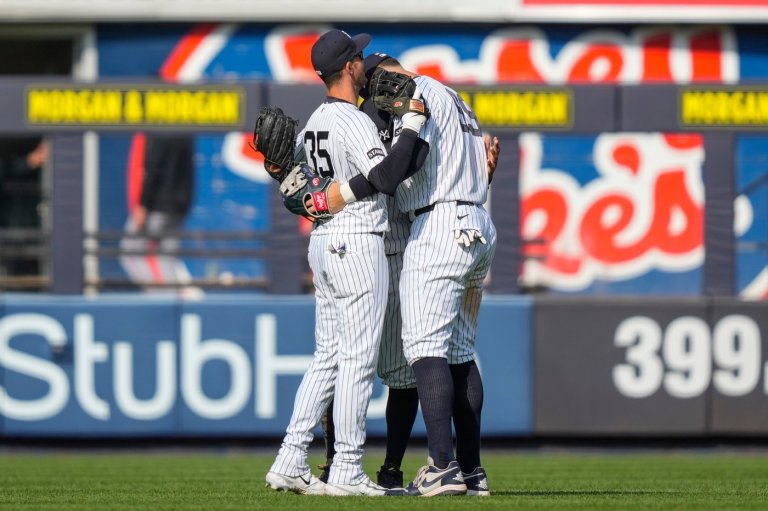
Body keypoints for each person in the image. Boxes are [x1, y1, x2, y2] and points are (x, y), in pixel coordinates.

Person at [316, 53, 501, 493]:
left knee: (423, 348)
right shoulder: (454, 96)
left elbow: (405, 167)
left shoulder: (409, 93)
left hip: (438, 226)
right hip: (477, 223)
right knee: (459, 352)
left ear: (382, 75)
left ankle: (442, 466)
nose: (371, 91)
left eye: (373, 80)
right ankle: (472, 470)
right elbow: (460, 164)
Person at [264, 29, 429, 497]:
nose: (362, 62)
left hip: (323, 242)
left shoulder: (314, 120)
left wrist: (276, 172)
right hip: (356, 239)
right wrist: (413, 124)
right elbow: (388, 176)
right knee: (356, 360)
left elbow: (300, 193)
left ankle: (290, 458)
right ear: (350, 67)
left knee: (328, 358)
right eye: (358, 55)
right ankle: (348, 469)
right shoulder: (354, 122)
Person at [119, 135, 197, 295]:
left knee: (129, 252)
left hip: (158, 207)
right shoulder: (186, 131)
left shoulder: (162, 129)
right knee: (166, 259)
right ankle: (172, 300)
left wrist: (143, 204)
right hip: (178, 207)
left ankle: (160, 297)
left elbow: (155, 168)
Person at [0, 138, 49, 285]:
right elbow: (7, 170)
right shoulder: (10, 163)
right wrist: (29, 162)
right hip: (13, 228)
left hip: (40, 227)